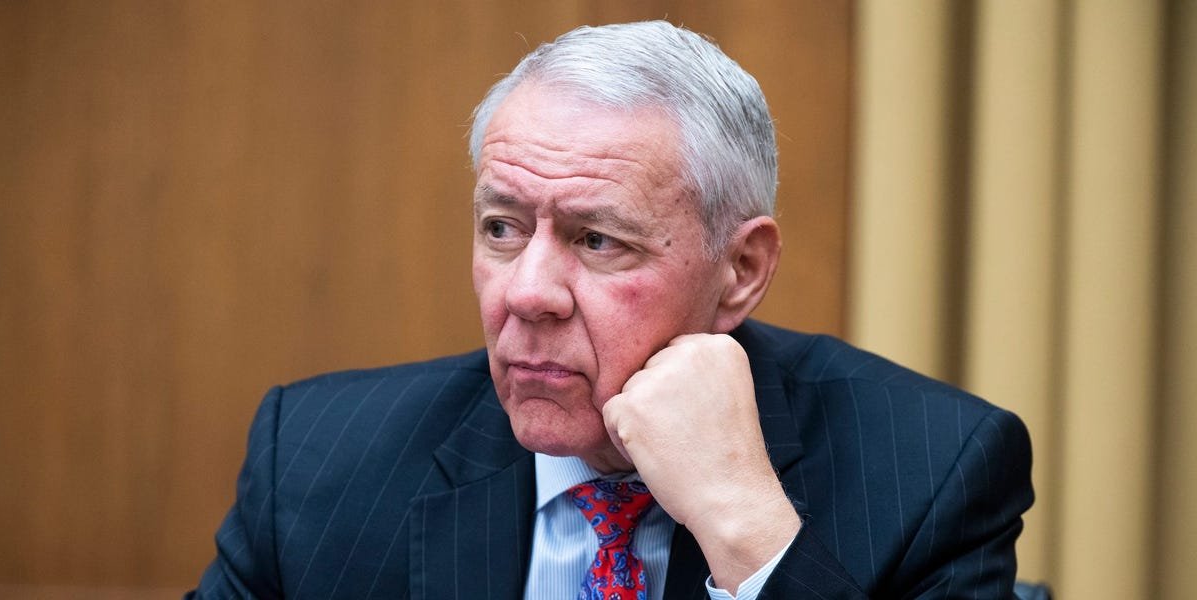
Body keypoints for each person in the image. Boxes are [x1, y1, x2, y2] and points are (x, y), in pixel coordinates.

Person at [189, 21, 1033, 599]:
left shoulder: (930, 473)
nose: (527, 293)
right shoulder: (316, 462)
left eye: (598, 240)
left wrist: (747, 527)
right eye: (501, 228)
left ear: (741, 270)